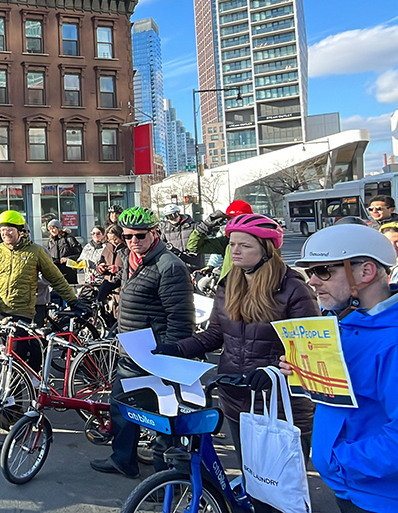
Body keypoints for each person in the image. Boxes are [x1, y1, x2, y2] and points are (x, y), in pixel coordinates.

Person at [153, 215, 317, 509]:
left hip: (278, 404)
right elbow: (215, 335)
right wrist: (176, 348)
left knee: (281, 490)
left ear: (267, 248)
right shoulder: (229, 283)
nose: (235, 251)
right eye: (232, 244)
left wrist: (272, 370)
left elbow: (309, 347)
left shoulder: (293, 289)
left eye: (245, 245)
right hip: (235, 397)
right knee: (253, 481)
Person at [275, 224, 398, 513]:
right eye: (310, 272)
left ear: (366, 272)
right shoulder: (345, 323)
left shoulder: (391, 341)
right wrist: (305, 375)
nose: (313, 281)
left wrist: (341, 460)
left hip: (380, 496)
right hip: (351, 486)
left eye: (324, 271)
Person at [91, 206, 194, 479]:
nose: (133, 241)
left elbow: (181, 319)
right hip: (131, 349)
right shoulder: (131, 260)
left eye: (140, 235)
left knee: (161, 418)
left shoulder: (169, 266)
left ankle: (165, 480)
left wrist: (169, 355)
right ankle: (123, 460)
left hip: (156, 354)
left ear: (154, 233)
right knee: (121, 408)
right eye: (127, 236)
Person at [0, 211, 86, 371]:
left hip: (23, 312)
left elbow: (56, 278)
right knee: (5, 355)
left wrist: (73, 301)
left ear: (20, 231)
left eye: (9, 229)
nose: (5, 233)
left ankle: (20, 391)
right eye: (1, 230)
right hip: (1, 312)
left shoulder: (35, 251)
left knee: (18, 354)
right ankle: (14, 390)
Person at [187, 200, 254, 281]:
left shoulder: (260, 240)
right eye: (230, 219)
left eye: (237, 219)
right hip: (230, 287)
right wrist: (204, 227)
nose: (234, 224)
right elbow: (193, 247)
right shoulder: (226, 242)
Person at [160, 204, 203, 270]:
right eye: (169, 216)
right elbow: (162, 245)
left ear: (179, 213)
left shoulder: (193, 225)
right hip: (177, 264)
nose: (173, 218)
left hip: (195, 263)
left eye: (175, 215)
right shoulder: (165, 230)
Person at [43, 219, 82, 285]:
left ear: (59, 228)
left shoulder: (68, 238)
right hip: (55, 273)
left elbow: (79, 253)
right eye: (50, 229)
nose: (52, 231)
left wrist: (68, 259)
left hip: (68, 272)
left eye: (53, 228)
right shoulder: (50, 241)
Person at [96, 225, 127, 303]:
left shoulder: (127, 249)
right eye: (110, 240)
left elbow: (131, 267)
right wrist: (101, 268)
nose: (113, 242)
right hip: (108, 281)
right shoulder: (107, 248)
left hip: (122, 284)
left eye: (115, 239)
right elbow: (101, 262)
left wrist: (118, 269)